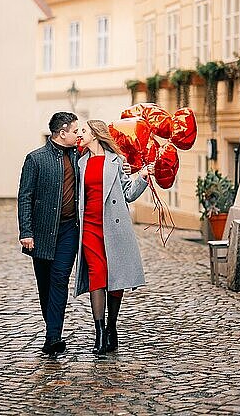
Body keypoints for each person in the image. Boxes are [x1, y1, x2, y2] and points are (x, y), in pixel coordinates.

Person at [74, 119, 151, 357]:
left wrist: (144, 177)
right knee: (97, 274)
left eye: (83, 131)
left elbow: (128, 194)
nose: (80, 134)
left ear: (96, 134)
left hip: (113, 226)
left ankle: (112, 328)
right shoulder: (80, 163)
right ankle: (98, 332)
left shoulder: (116, 162)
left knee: (114, 276)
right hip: (90, 227)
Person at [18, 112, 80, 356]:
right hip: (42, 233)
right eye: (75, 131)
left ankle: (53, 337)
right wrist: (26, 231)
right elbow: (25, 197)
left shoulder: (80, 157)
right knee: (45, 285)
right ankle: (52, 327)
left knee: (59, 280)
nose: (78, 135)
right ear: (62, 132)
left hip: (69, 230)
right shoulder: (35, 159)